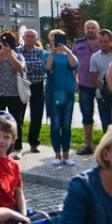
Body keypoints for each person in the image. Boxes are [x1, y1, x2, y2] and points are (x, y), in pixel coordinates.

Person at [45, 32, 80, 165]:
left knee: (66, 125)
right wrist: (52, 54)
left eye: (58, 40)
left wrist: (68, 51)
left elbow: (74, 66)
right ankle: (57, 155)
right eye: (53, 40)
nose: (56, 42)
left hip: (68, 92)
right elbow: (47, 68)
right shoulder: (47, 54)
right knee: (55, 125)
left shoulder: (69, 54)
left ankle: (66, 155)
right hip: (54, 92)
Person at [72, 21, 105, 156]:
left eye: (93, 28)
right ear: (84, 30)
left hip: (102, 86)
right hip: (84, 85)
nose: (90, 30)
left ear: (98, 29)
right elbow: (72, 64)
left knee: (105, 116)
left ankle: (106, 147)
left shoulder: (104, 43)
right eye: (88, 28)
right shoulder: (78, 44)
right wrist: (74, 82)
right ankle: (89, 145)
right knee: (86, 115)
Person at [0, 31, 25, 136]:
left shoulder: (18, 56)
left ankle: (17, 147)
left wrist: (10, 55)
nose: (6, 44)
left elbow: (20, 68)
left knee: (16, 120)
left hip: (14, 93)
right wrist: (0, 58)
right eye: (4, 42)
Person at [17, 28, 49, 155]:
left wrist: (24, 65)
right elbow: (16, 66)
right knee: (18, 115)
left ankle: (34, 142)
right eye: (27, 36)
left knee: (37, 115)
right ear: (23, 37)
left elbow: (42, 67)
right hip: (21, 85)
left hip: (37, 85)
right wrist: (26, 65)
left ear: (36, 39)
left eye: (32, 37)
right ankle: (17, 143)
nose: (30, 38)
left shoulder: (42, 52)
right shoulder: (17, 51)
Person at [89, 31, 112, 132]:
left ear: (111, 40)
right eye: (101, 42)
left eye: (105, 42)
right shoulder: (95, 57)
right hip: (102, 94)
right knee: (106, 123)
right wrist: (105, 90)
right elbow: (94, 77)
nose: (103, 44)